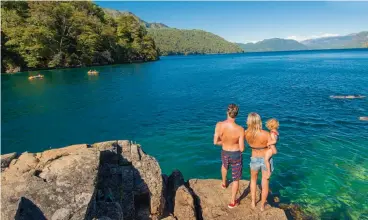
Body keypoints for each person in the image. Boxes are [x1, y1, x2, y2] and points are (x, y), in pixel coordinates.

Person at [214, 104, 245, 209]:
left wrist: (225, 142)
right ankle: (232, 202)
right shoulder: (240, 129)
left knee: (224, 165)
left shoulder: (219, 125)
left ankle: (223, 183)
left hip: (225, 152)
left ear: (227, 112)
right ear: (237, 114)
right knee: (236, 179)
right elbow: (242, 149)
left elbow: (215, 142)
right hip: (236, 154)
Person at [244, 112, 271, 211]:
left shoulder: (246, 133)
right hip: (265, 159)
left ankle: (253, 203)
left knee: (253, 180)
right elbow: (272, 147)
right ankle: (262, 205)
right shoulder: (266, 134)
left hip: (254, 158)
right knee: (265, 182)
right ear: (259, 121)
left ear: (249, 122)